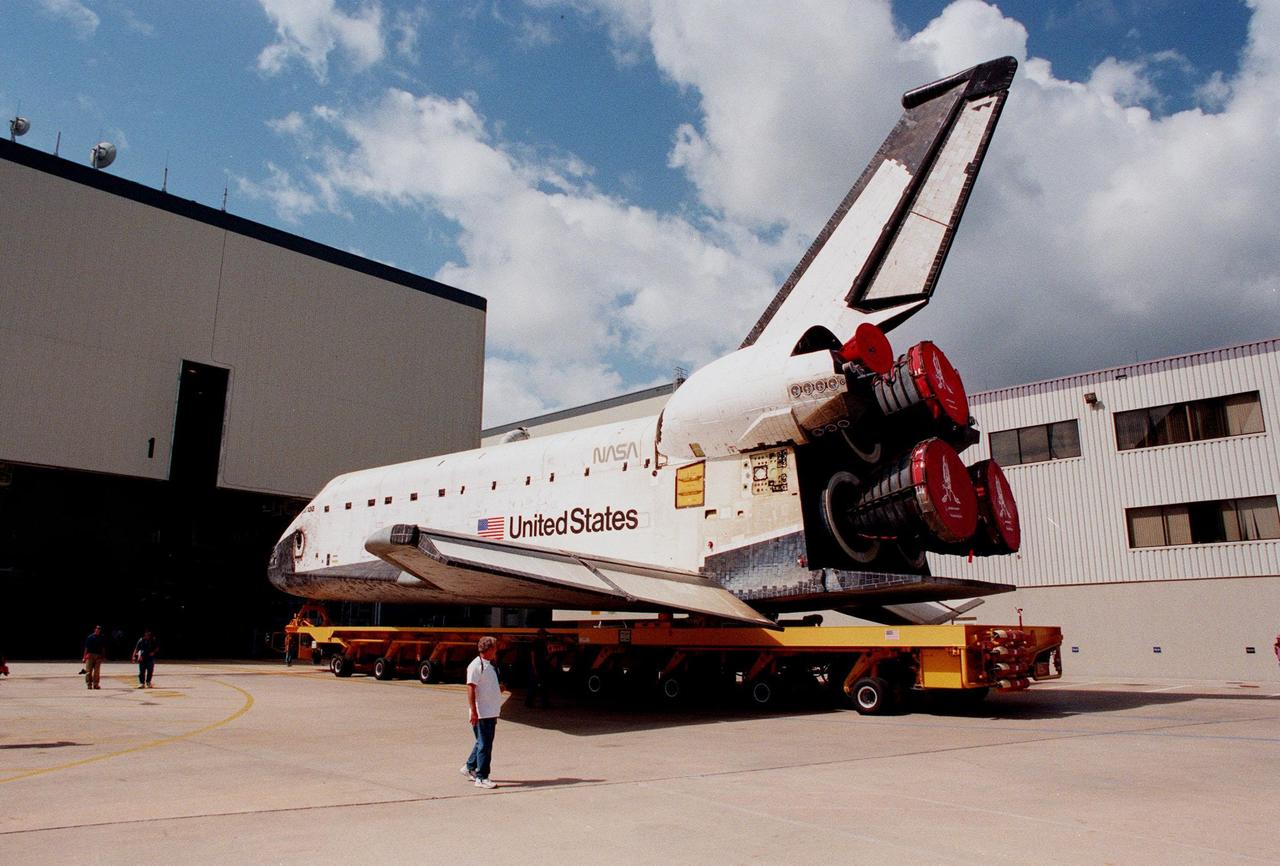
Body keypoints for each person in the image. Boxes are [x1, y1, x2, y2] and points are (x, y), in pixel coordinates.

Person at [461, 636, 504, 789]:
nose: (496, 650)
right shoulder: (476, 666)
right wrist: (474, 711)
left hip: (490, 712)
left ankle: (469, 767)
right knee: (485, 745)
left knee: (481, 742)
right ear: (488, 649)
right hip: (482, 713)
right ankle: (482, 777)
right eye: (494, 648)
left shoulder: (489, 665)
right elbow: (470, 688)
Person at [525, 629, 552, 708]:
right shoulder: (536, 643)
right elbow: (533, 656)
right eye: (544, 635)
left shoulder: (541, 643)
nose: (546, 636)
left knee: (539, 685)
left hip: (540, 666)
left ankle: (542, 703)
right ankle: (531, 703)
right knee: (535, 685)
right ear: (540, 635)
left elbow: (545, 656)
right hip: (538, 667)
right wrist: (535, 668)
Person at [84, 625, 106, 690]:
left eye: (99, 629)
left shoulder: (102, 637)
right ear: (95, 629)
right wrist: (84, 657)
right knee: (88, 671)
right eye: (97, 628)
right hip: (90, 655)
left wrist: (103, 656)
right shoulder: (90, 637)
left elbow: (103, 648)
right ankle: (89, 684)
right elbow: (86, 648)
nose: (98, 630)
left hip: (98, 656)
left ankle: (96, 684)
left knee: (97, 671)